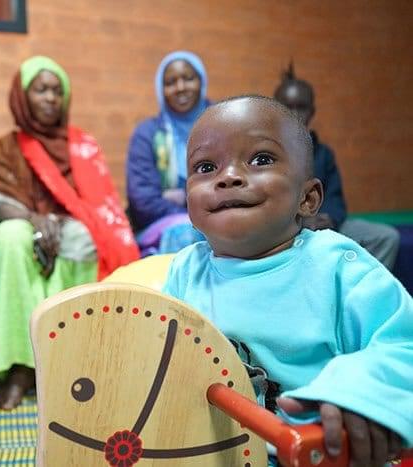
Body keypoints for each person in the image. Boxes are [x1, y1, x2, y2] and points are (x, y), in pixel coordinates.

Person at [163, 96, 412, 466]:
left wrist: (361, 395)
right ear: (189, 205)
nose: (229, 175)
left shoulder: (337, 266)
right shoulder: (185, 271)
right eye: (206, 166)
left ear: (308, 199)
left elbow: (402, 341)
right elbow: (159, 353)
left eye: (261, 159)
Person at [0, 56, 139, 410]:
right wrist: (35, 220)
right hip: (23, 222)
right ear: (22, 97)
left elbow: (100, 208)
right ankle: (21, 365)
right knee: (10, 236)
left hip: (71, 229)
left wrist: (59, 225)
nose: (50, 98)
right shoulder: (5, 148)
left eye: (57, 91)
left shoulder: (82, 145)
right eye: (41, 90)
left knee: (84, 236)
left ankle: (73, 352)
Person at [274, 64, 400, 270]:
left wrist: (328, 217)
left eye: (301, 106)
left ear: (312, 111)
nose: (295, 113)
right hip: (283, 228)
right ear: (274, 108)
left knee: (386, 236)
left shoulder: (323, 154)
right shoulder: (264, 153)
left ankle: (362, 292)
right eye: (287, 105)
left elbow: (334, 197)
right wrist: (299, 221)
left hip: (322, 225)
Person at [126, 51, 210, 256]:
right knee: (189, 235)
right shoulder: (148, 134)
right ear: (161, 89)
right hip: (165, 226)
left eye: (188, 78)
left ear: (202, 81)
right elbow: (143, 201)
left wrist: (182, 197)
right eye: (171, 82)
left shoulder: (224, 125)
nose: (180, 87)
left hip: (223, 216)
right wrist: (194, 210)